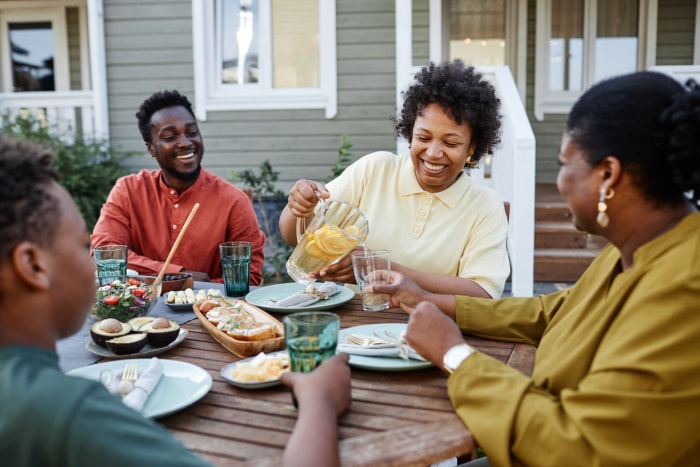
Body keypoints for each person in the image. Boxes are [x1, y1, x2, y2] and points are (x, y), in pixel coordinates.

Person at [371, 71, 700, 466]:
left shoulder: (685, 288)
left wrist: (454, 355)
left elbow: (580, 449)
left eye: (564, 163)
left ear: (607, 176)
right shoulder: (634, 250)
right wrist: (434, 301)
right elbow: (551, 311)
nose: (559, 182)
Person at [0, 136, 351, 466]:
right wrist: (319, 401)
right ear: (33, 266)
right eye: (80, 245)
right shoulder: (63, 410)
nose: (90, 257)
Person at [279, 62, 510, 298]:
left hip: (431, 328)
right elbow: (293, 237)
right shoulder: (376, 170)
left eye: (450, 143)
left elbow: (483, 294)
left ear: (472, 147)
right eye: (423, 137)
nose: (432, 153)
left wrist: (384, 267)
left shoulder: (484, 205)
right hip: (356, 325)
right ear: (410, 132)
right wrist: (300, 208)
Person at [91, 90, 265, 284]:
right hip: (141, 311)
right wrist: (178, 274)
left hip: (208, 312)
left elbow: (249, 280)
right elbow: (105, 255)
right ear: (151, 148)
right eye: (170, 137)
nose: (185, 143)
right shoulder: (128, 191)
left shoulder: (233, 201)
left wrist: (192, 286)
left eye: (192, 132)